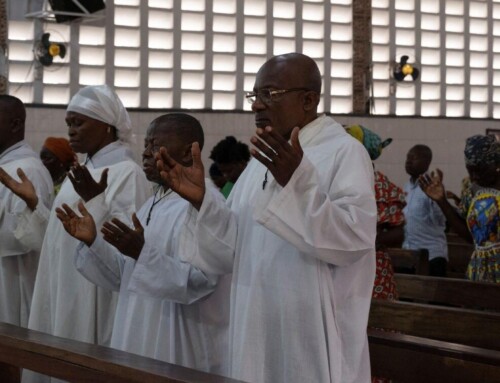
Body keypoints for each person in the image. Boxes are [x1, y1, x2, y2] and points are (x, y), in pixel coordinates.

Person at [156, 53, 377, 383]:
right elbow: (233, 246)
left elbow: (354, 239)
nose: (257, 106)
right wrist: (204, 202)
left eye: (268, 95)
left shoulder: (344, 152)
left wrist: (297, 184)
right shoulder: (261, 162)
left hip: (310, 332)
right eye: (254, 96)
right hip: (255, 318)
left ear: (308, 100)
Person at [55, 113, 229, 374]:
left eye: (155, 145)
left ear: (186, 153)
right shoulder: (155, 201)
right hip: (138, 334)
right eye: (146, 144)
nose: (145, 153)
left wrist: (142, 253)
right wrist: (94, 242)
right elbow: (126, 277)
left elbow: (201, 282)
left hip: (177, 344)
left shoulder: (206, 204)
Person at [23, 85, 151, 383]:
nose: (71, 131)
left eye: (79, 123)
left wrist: (97, 204)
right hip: (61, 280)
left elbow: (126, 246)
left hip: (93, 291)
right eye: (69, 123)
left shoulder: (126, 173)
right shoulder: (81, 172)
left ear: (107, 125)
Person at [0, 95, 53, 328]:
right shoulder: (7, 166)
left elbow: (30, 238)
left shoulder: (28, 170)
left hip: (15, 287)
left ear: (14, 124)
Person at [419, 135, 500, 283]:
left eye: (480, 170)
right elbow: (470, 237)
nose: (474, 176)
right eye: (470, 170)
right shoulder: (472, 191)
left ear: (496, 163)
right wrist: (442, 201)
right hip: (479, 270)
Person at [346, 125, 405, 301]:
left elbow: (398, 234)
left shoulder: (380, 184)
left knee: (376, 323)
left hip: (373, 268)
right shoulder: (338, 178)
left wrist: (368, 241)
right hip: (342, 265)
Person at [403, 145, 448, 277]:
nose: (408, 161)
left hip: (432, 258)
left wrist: (436, 199)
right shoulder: (406, 187)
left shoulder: (432, 187)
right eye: (407, 157)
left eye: (413, 158)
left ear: (427, 162)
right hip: (409, 255)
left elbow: (441, 220)